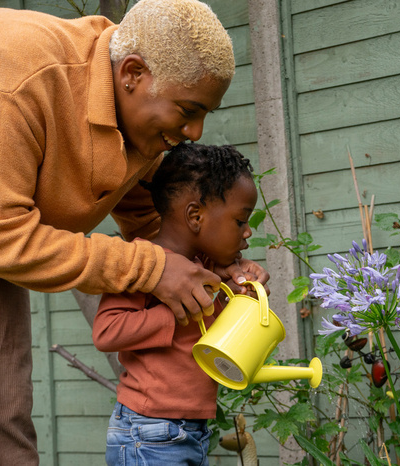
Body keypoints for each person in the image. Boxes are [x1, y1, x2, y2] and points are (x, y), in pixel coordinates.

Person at [0, 0, 268, 463]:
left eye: (206, 113)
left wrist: (216, 265)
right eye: (188, 110)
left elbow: (152, 216)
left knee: (3, 415)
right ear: (132, 73)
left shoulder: (135, 120)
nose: (195, 130)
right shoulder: (21, 84)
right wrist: (149, 268)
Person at [92, 143, 258, 466]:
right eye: (240, 222)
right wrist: (173, 315)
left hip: (192, 431)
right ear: (196, 216)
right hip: (147, 433)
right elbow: (106, 331)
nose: (248, 232)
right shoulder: (146, 264)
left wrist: (245, 290)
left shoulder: (205, 266)